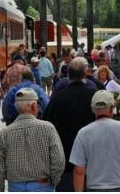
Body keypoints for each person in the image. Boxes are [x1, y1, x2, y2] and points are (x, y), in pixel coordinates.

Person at [70, 90, 120, 192]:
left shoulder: (83, 133)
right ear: (112, 109)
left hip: (94, 189)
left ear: (93, 110)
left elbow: (79, 171)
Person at [0, 88, 65, 192]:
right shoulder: (48, 128)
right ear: (34, 106)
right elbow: (58, 160)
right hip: (42, 185)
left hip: (15, 187)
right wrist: (53, 181)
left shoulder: (5, 133)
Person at [43, 58, 97, 191]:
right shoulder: (94, 96)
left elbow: (47, 125)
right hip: (92, 160)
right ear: (85, 74)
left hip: (65, 159)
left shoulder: (58, 97)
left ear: (68, 75)